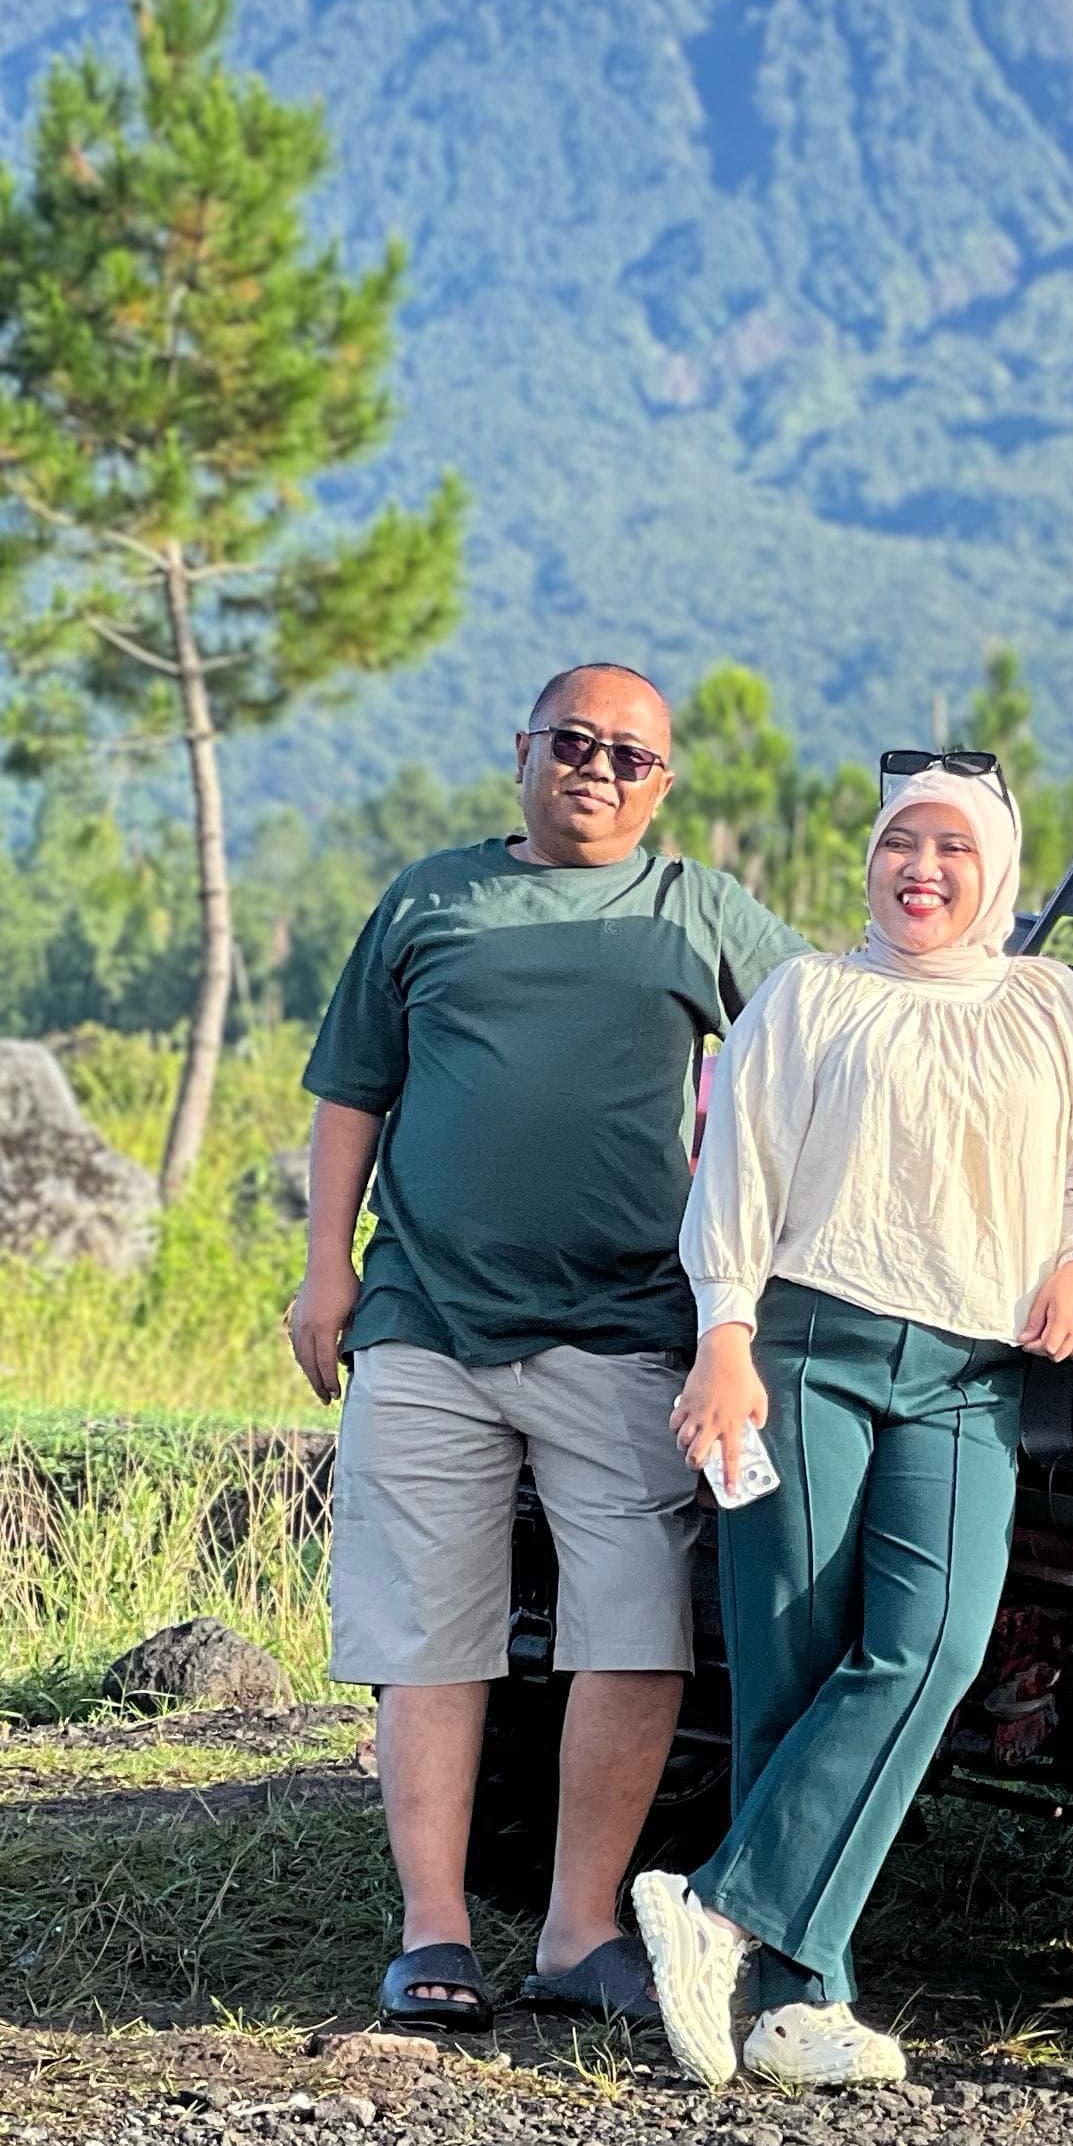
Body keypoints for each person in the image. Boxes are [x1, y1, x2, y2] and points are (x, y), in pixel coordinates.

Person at [290, 661, 806, 2036]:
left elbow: (829, 1042)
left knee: (634, 1634)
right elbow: (355, 1088)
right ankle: (432, 1933)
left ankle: (580, 1936)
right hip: (423, 1319)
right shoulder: (430, 898)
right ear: (521, 749)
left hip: (631, 1325)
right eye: (574, 742)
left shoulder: (693, 908)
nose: (598, 768)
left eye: (630, 756)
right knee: (430, 1635)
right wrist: (322, 1270)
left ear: (664, 785)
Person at [634, 751, 1073, 2091]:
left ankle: (717, 1908)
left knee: (930, 1646)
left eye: (954, 849)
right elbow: (733, 1173)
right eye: (902, 844)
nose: (923, 870)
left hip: (972, 1368)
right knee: (788, 1663)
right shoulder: (808, 995)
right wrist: (722, 1340)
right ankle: (802, 2005)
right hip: (802, 1345)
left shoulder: (1047, 1003)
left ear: (999, 870)